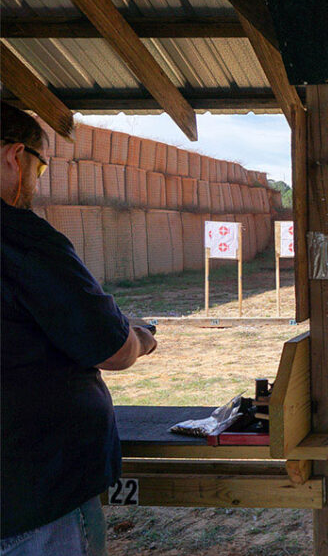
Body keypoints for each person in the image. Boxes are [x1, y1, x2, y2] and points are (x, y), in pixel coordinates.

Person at [1, 102, 157, 556]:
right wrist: (143, 338)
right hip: (32, 493)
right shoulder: (22, 238)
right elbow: (113, 349)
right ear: (15, 156)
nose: (35, 182)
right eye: (39, 167)